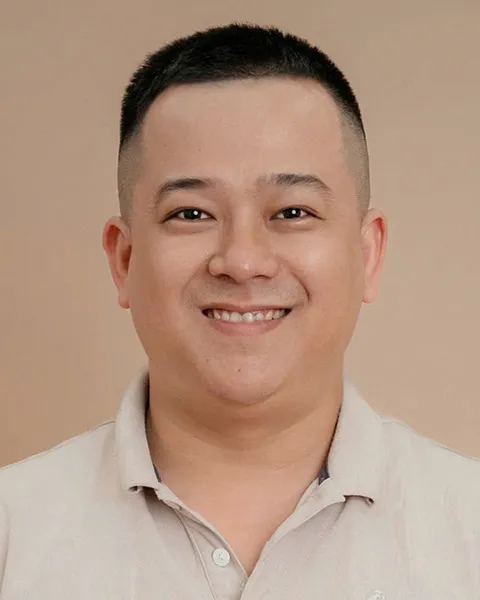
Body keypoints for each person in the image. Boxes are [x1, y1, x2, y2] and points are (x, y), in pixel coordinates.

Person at [0, 22, 479, 599]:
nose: (243, 261)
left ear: (367, 253)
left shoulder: (467, 530)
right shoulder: (13, 533)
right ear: (124, 259)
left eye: (293, 212)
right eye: (192, 214)